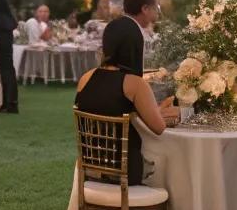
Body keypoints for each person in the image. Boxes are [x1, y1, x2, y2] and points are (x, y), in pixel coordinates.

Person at [75, 23, 180, 185]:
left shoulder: (86, 78)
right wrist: (168, 111)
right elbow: (158, 127)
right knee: (169, 166)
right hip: (125, 172)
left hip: (92, 168)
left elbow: (109, 106)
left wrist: (155, 110)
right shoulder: (134, 83)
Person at [99, 0, 159, 75]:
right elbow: (133, 76)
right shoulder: (134, 32)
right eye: (156, 7)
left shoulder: (112, 25)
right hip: (126, 87)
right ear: (145, 9)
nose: (157, 12)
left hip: (106, 84)